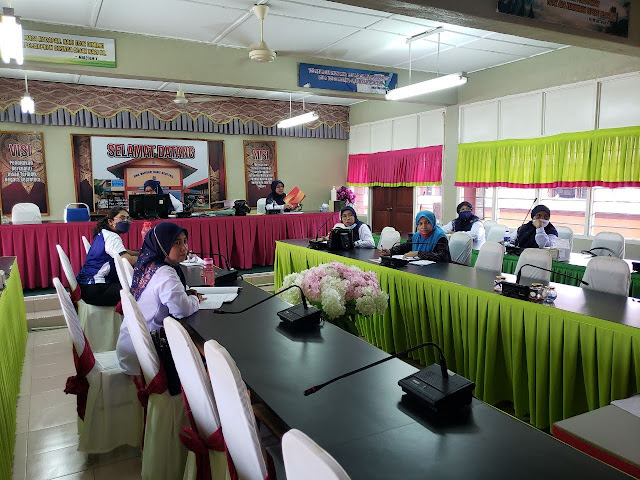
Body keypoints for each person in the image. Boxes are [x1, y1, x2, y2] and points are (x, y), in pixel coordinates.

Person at [116, 222, 202, 375]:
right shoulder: (165, 273)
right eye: (176, 243)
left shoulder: (149, 264)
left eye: (185, 241)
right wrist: (195, 299)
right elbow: (181, 310)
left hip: (131, 347)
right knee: (202, 359)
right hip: (143, 356)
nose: (184, 248)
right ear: (162, 245)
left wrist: (186, 295)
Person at [76, 207, 138, 307]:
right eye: (122, 218)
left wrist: (139, 253)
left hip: (86, 286)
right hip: (96, 289)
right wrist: (148, 258)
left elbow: (122, 251)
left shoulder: (104, 233)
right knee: (140, 289)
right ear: (110, 221)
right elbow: (127, 260)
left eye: (128, 219)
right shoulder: (112, 237)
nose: (126, 221)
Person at [381, 210, 451, 263]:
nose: (424, 226)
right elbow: (405, 247)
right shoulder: (417, 236)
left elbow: (442, 256)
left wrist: (418, 254)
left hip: (438, 271)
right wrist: (390, 251)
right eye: (420, 223)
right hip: (419, 269)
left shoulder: (440, 237)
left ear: (433, 222)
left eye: (427, 222)